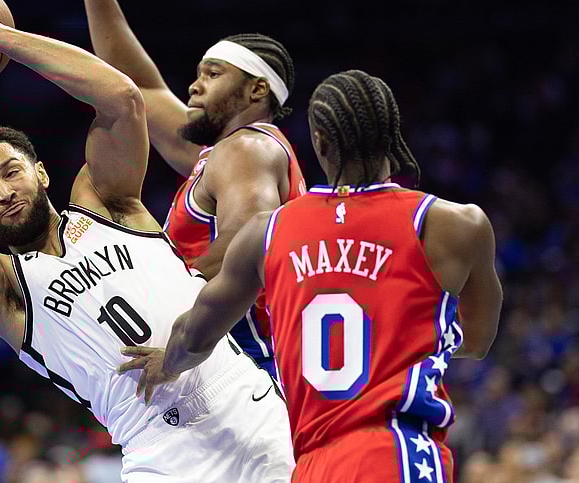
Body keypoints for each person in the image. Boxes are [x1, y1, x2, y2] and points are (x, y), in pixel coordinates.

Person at [0, 1, 292, 481]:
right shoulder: (3, 289)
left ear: (41, 173)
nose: (3, 192)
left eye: (11, 172)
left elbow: (123, 97)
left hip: (243, 402)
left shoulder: (106, 203)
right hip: (158, 451)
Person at [121, 70, 503, 482]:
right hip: (399, 453)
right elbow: (477, 340)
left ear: (318, 142)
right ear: (393, 132)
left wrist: (166, 364)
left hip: (311, 463)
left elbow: (193, 337)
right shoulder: (454, 224)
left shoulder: (265, 233)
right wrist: (392, 337)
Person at [84, 0, 307, 378]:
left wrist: (157, 301)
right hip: (234, 357)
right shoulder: (224, 151)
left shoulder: (247, 150)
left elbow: (246, 245)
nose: (194, 85)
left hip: (257, 364)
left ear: (257, 89)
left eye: (213, 74)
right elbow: (136, 88)